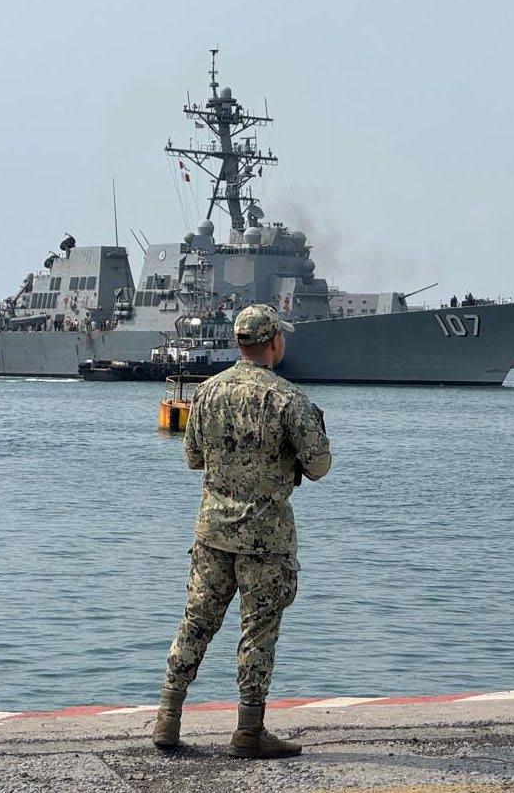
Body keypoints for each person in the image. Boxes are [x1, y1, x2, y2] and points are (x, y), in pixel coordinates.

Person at [152, 304, 332, 758]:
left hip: (213, 531)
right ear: (273, 342)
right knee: (258, 630)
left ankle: (167, 719)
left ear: (238, 342)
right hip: (265, 539)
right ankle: (249, 730)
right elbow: (319, 467)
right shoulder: (288, 399)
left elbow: (193, 458)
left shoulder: (207, 392)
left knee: (196, 622)